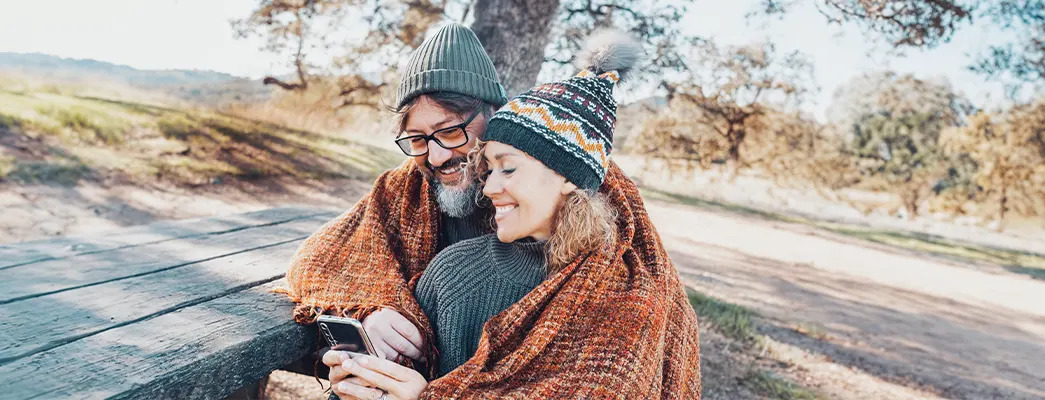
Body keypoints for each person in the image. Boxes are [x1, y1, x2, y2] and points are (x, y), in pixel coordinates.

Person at [311, 30, 701, 399]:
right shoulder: (416, 210)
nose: (435, 156)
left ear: (494, 114)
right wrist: (373, 308)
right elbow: (331, 256)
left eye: (450, 132)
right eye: (417, 140)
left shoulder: (587, 182)